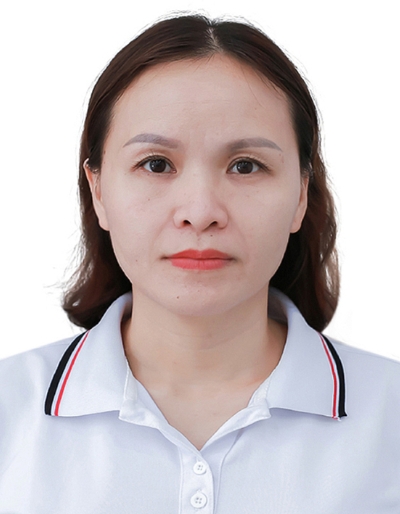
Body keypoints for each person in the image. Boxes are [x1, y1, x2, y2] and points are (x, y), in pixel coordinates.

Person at [0, 13, 399, 514]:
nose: (200, 211)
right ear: (98, 190)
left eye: (246, 166)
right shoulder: (9, 409)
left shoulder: (390, 415)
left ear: (301, 193)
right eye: (156, 164)